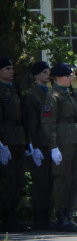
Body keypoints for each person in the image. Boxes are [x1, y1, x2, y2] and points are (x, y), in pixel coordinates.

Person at [40, 62, 77, 231]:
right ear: (58, 77)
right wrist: (53, 146)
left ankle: (69, 213)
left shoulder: (69, 94)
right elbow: (48, 122)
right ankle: (60, 215)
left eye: (71, 75)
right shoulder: (53, 96)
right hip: (63, 141)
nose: (71, 78)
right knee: (62, 179)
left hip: (75, 140)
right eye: (68, 75)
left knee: (74, 179)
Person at [22, 61, 52, 228]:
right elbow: (31, 122)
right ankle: (40, 217)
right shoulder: (32, 95)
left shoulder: (50, 92)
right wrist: (33, 146)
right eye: (44, 72)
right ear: (36, 75)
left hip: (50, 142)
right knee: (41, 182)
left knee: (51, 181)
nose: (47, 75)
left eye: (48, 72)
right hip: (39, 142)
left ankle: (48, 214)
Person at [0, 57, 29, 231]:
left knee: (18, 179)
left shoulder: (15, 88)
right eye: (7, 69)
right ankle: (5, 215)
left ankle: (12, 215)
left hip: (18, 138)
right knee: (7, 179)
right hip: (6, 138)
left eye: (12, 68)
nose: (12, 71)